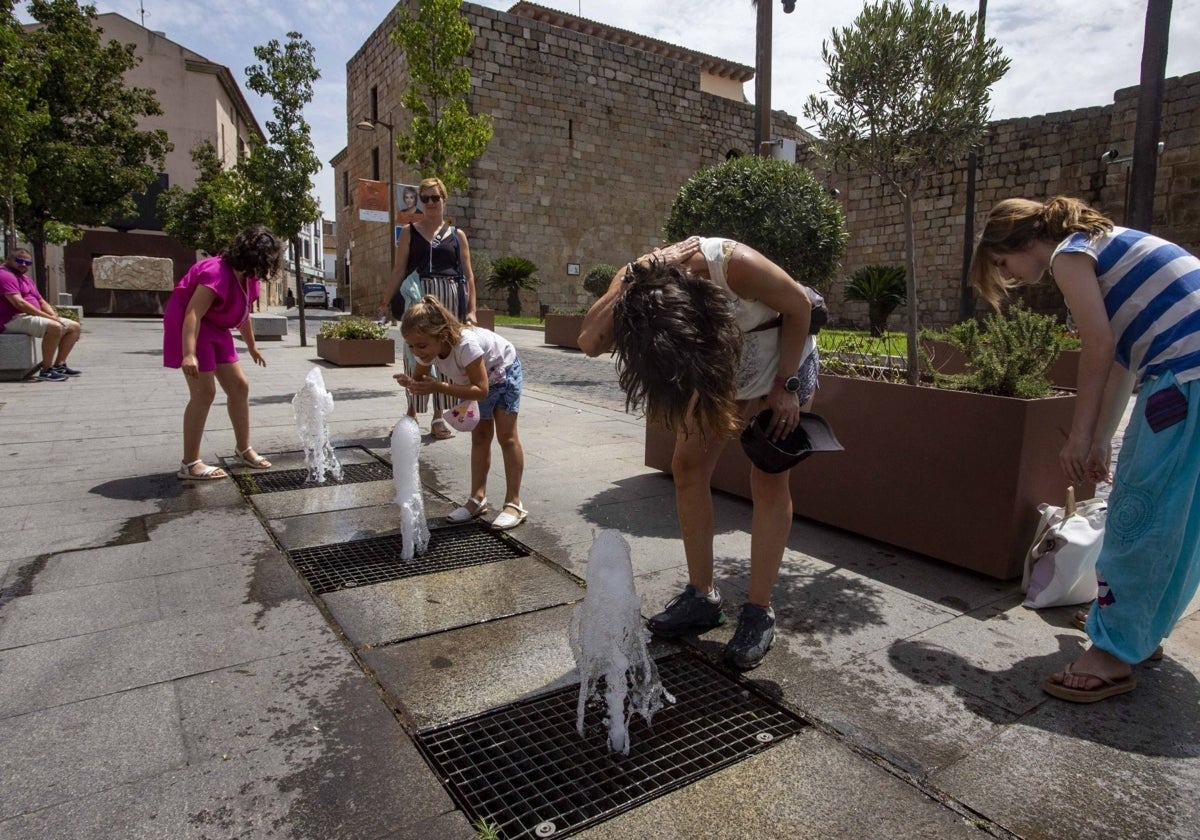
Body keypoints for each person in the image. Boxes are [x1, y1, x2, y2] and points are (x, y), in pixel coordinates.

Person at [970, 196, 1200, 703]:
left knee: (1138, 515)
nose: (1011, 277)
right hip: (1187, 371)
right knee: (1181, 519)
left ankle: (1112, 653)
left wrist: (1078, 438)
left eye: (1005, 264)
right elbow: (1119, 359)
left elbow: (1096, 347)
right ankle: (1135, 629)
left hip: (1185, 376)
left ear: (1024, 242)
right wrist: (1099, 440)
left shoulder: (1069, 255)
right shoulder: (1104, 244)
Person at [579, 236, 817, 669]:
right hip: (715, 367)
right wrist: (630, 276)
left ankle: (759, 612)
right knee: (687, 467)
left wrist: (787, 387)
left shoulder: (735, 265)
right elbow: (589, 341)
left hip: (780, 361)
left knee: (766, 476)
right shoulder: (637, 277)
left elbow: (799, 307)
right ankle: (702, 596)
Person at [395, 294, 527, 530]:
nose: (417, 351)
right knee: (480, 438)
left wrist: (439, 386)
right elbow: (421, 381)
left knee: (506, 437)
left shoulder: (465, 344)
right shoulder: (426, 348)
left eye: (421, 345)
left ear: (443, 335)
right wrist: (411, 383)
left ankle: (514, 503)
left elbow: (482, 389)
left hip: (503, 371)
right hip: (476, 382)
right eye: (411, 346)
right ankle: (477, 499)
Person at [163, 225, 282, 480]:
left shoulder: (248, 278)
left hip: (217, 327)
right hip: (193, 327)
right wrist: (189, 353)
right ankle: (190, 463)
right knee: (204, 393)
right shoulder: (215, 272)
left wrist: (252, 346)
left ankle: (243, 448)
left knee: (239, 385)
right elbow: (193, 313)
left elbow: (243, 314)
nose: (269, 266)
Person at [382, 177, 478, 440]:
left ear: (444, 200)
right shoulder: (410, 232)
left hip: (449, 301)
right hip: (419, 299)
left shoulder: (457, 235)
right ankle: (412, 413)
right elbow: (399, 269)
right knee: (416, 354)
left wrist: (471, 311)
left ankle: (439, 417)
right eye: (425, 198)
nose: (430, 203)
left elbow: (468, 276)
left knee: (446, 358)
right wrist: (384, 301)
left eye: (435, 197)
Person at [0, 248, 83, 381]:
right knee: (54, 327)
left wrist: (53, 315)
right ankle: (46, 370)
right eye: (19, 261)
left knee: (74, 327)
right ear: (9, 259)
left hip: (28, 316)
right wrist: (49, 319)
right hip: (10, 319)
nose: (23, 265)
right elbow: (19, 304)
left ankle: (59, 365)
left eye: (27, 263)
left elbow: (40, 300)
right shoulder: (4, 275)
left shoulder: (25, 279)